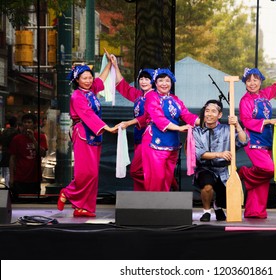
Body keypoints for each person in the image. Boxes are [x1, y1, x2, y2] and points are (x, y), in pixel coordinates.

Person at [57, 61, 118, 217]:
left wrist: (110, 65)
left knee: (93, 173)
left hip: (95, 134)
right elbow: (88, 115)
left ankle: (83, 207)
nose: (89, 80)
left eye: (90, 77)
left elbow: (101, 80)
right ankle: (68, 193)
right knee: (85, 172)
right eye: (84, 78)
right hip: (84, 133)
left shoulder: (91, 91)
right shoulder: (77, 96)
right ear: (77, 80)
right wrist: (107, 128)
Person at [143, 68, 200, 192]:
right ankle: (153, 208)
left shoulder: (175, 99)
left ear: (171, 82)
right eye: (161, 80)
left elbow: (186, 115)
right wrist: (179, 128)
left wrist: (204, 121)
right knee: (157, 177)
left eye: (167, 80)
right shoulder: (152, 97)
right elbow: (159, 119)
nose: (164, 83)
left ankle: (163, 207)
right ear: (155, 83)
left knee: (167, 177)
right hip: (155, 140)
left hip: (172, 142)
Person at [193, 100, 248, 222]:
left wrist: (237, 125)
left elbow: (244, 141)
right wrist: (220, 154)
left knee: (227, 196)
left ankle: (217, 206)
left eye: (213, 111)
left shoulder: (228, 129)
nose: (209, 114)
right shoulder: (196, 131)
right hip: (204, 168)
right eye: (207, 111)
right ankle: (206, 211)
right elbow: (199, 154)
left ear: (220, 115)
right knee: (207, 187)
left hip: (223, 170)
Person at [238, 67, 276, 219]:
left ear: (261, 81)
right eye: (248, 80)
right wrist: (269, 121)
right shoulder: (245, 100)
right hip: (253, 141)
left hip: (267, 140)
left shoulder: (264, 95)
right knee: (268, 169)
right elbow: (247, 121)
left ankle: (255, 211)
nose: (252, 83)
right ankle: (244, 172)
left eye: (255, 79)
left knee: (261, 182)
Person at [110, 54, 155, 191]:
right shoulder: (139, 95)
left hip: (150, 138)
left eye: (147, 79)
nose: (143, 81)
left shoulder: (153, 96)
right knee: (141, 170)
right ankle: (142, 198)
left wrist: (128, 123)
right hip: (139, 137)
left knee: (136, 170)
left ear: (153, 81)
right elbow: (122, 86)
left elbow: (147, 116)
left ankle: (154, 190)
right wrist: (115, 65)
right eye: (141, 78)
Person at [8, 113, 48, 199]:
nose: (27, 124)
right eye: (25, 122)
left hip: (35, 177)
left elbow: (43, 153)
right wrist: (11, 177)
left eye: (29, 122)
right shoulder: (16, 139)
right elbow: (12, 158)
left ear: (34, 124)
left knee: (33, 202)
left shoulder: (41, 137)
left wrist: (33, 139)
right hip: (19, 177)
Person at [0, 116, 19, 188]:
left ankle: (6, 186)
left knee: (5, 170)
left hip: (4, 152)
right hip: (11, 153)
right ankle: (9, 186)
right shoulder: (16, 132)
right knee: (10, 171)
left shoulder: (4, 131)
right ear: (16, 123)